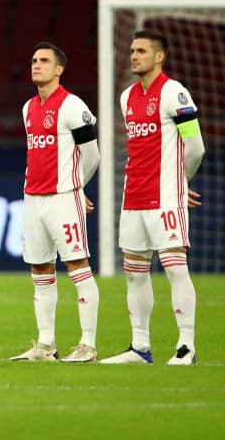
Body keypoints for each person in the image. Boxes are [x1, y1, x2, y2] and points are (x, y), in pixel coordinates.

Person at [101, 30, 205, 366]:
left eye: (142, 51)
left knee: (174, 268)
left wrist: (179, 181)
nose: (134, 56)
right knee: (135, 272)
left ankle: (185, 346)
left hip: (164, 198)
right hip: (133, 196)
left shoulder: (173, 92)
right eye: (132, 50)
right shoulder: (127, 96)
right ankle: (140, 348)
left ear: (159, 56)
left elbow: (196, 146)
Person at [10, 42, 100, 363]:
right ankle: (46, 346)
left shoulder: (72, 105)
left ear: (59, 69)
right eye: (34, 60)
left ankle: (87, 345)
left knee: (77, 265)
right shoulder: (28, 108)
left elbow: (92, 155)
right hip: (33, 198)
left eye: (44, 61)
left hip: (63, 198)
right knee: (40, 269)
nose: (36, 65)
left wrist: (76, 187)